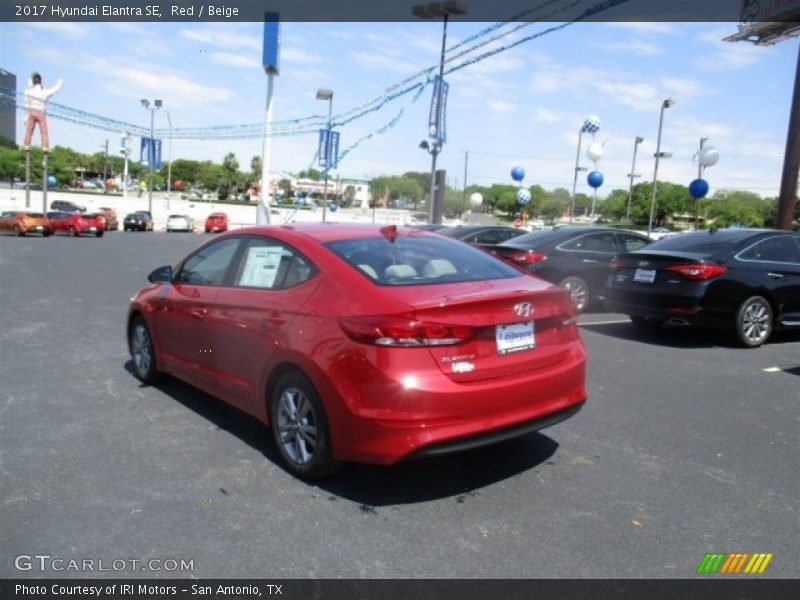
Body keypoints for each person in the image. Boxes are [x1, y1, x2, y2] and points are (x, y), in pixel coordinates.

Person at [23, 72, 63, 153]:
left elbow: (26, 103)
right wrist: (59, 84)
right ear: (40, 82)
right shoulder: (44, 92)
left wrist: (26, 116)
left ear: (33, 82)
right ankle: (45, 147)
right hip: (41, 113)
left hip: (31, 112)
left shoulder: (29, 91)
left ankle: (27, 145)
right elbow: (53, 90)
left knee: (29, 130)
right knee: (44, 131)